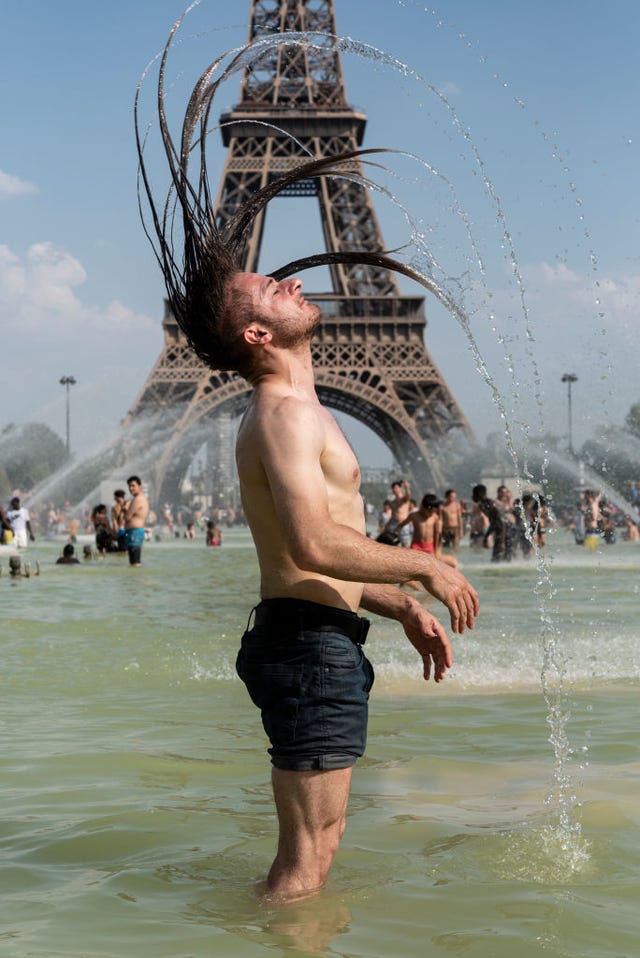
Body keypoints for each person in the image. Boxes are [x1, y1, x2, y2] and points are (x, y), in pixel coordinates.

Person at [136, 34, 480, 900]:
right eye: (269, 289)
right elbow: (314, 543)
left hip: (317, 639)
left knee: (317, 857)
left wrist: (397, 602)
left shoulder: (299, 410)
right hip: (307, 648)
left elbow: (308, 557)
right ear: (255, 335)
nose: (291, 282)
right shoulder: (283, 413)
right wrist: (428, 565)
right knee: (304, 866)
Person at [124, 476, 149, 567]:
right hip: (134, 533)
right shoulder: (140, 498)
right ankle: (134, 580)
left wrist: (125, 508)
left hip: (135, 533)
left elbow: (127, 517)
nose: (131, 488)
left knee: (135, 563)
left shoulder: (138, 499)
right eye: (129, 486)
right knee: (134, 562)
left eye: (133, 486)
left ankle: (137, 580)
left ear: (139, 486)